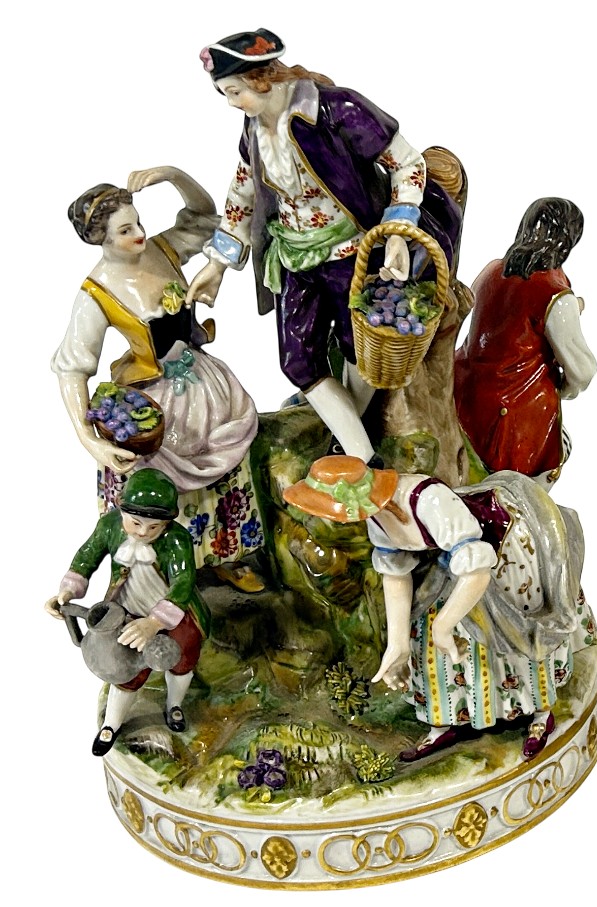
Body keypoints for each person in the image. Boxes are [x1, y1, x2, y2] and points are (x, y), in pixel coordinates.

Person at [186, 28, 463, 463]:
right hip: (294, 256)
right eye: (225, 93)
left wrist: (396, 230)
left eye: (235, 91)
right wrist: (218, 263)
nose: (231, 103)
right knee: (297, 361)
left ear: (262, 78)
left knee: (361, 350)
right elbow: (242, 193)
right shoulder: (254, 128)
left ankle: (357, 453)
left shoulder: (337, 110)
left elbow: (408, 164)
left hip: (353, 253)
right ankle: (358, 448)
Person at [284, 456, 584, 762]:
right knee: (425, 641)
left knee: (510, 632)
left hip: (500, 555)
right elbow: (396, 574)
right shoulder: (376, 515)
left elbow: (477, 570)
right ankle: (446, 721)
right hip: (453, 566)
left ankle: (540, 713)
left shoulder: (429, 501)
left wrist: (444, 625)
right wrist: (397, 644)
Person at [56, 169, 263, 590]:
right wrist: (88, 438)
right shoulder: (97, 293)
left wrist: (172, 175)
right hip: (155, 399)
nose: (139, 234)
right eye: (125, 231)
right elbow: (72, 367)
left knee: (225, 461)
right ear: (101, 239)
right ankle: (161, 568)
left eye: (138, 223)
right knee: (163, 475)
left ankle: (224, 554)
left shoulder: (161, 250)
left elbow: (204, 218)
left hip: (202, 380)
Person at [46, 469, 209, 756]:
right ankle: (112, 723)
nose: (143, 532)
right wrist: (68, 592)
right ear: (122, 511)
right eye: (135, 523)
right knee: (124, 668)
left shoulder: (177, 539)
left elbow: (183, 582)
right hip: (126, 610)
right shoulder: (110, 526)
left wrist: (155, 622)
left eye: (154, 527)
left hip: (172, 611)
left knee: (183, 658)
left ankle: (174, 705)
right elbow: (87, 556)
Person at [454, 197, 597, 486]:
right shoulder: (554, 295)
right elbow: (582, 370)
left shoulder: (491, 270)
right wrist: (563, 388)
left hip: (463, 392)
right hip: (511, 412)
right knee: (557, 449)